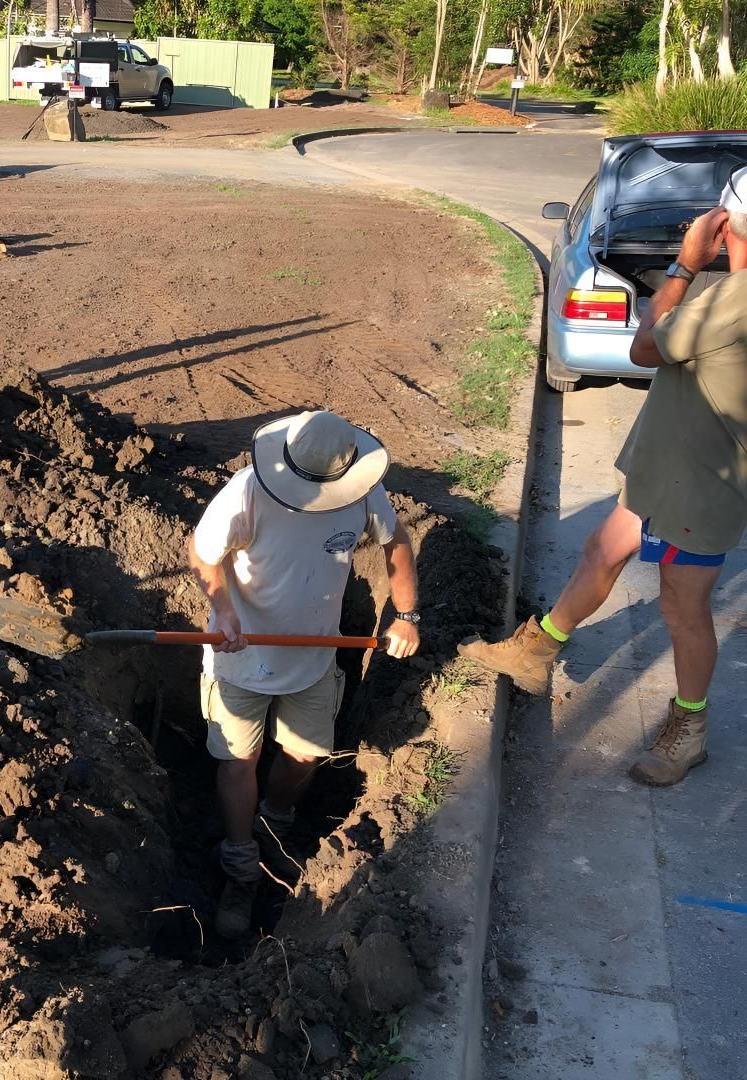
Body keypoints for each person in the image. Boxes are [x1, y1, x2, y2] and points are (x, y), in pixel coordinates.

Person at [459, 166, 747, 788]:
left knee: (683, 606)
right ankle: (536, 651)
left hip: (702, 482)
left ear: (724, 225)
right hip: (669, 467)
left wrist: (684, 265)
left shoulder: (734, 298)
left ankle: (689, 729)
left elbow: (644, 348)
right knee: (602, 550)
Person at [188, 410, 420, 939]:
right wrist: (223, 611)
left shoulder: (362, 490)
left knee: (308, 755)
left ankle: (275, 820)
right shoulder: (246, 492)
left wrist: (405, 616)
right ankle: (241, 865)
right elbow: (203, 555)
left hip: (313, 656)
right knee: (237, 761)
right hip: (242, 656)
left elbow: (396, 542)